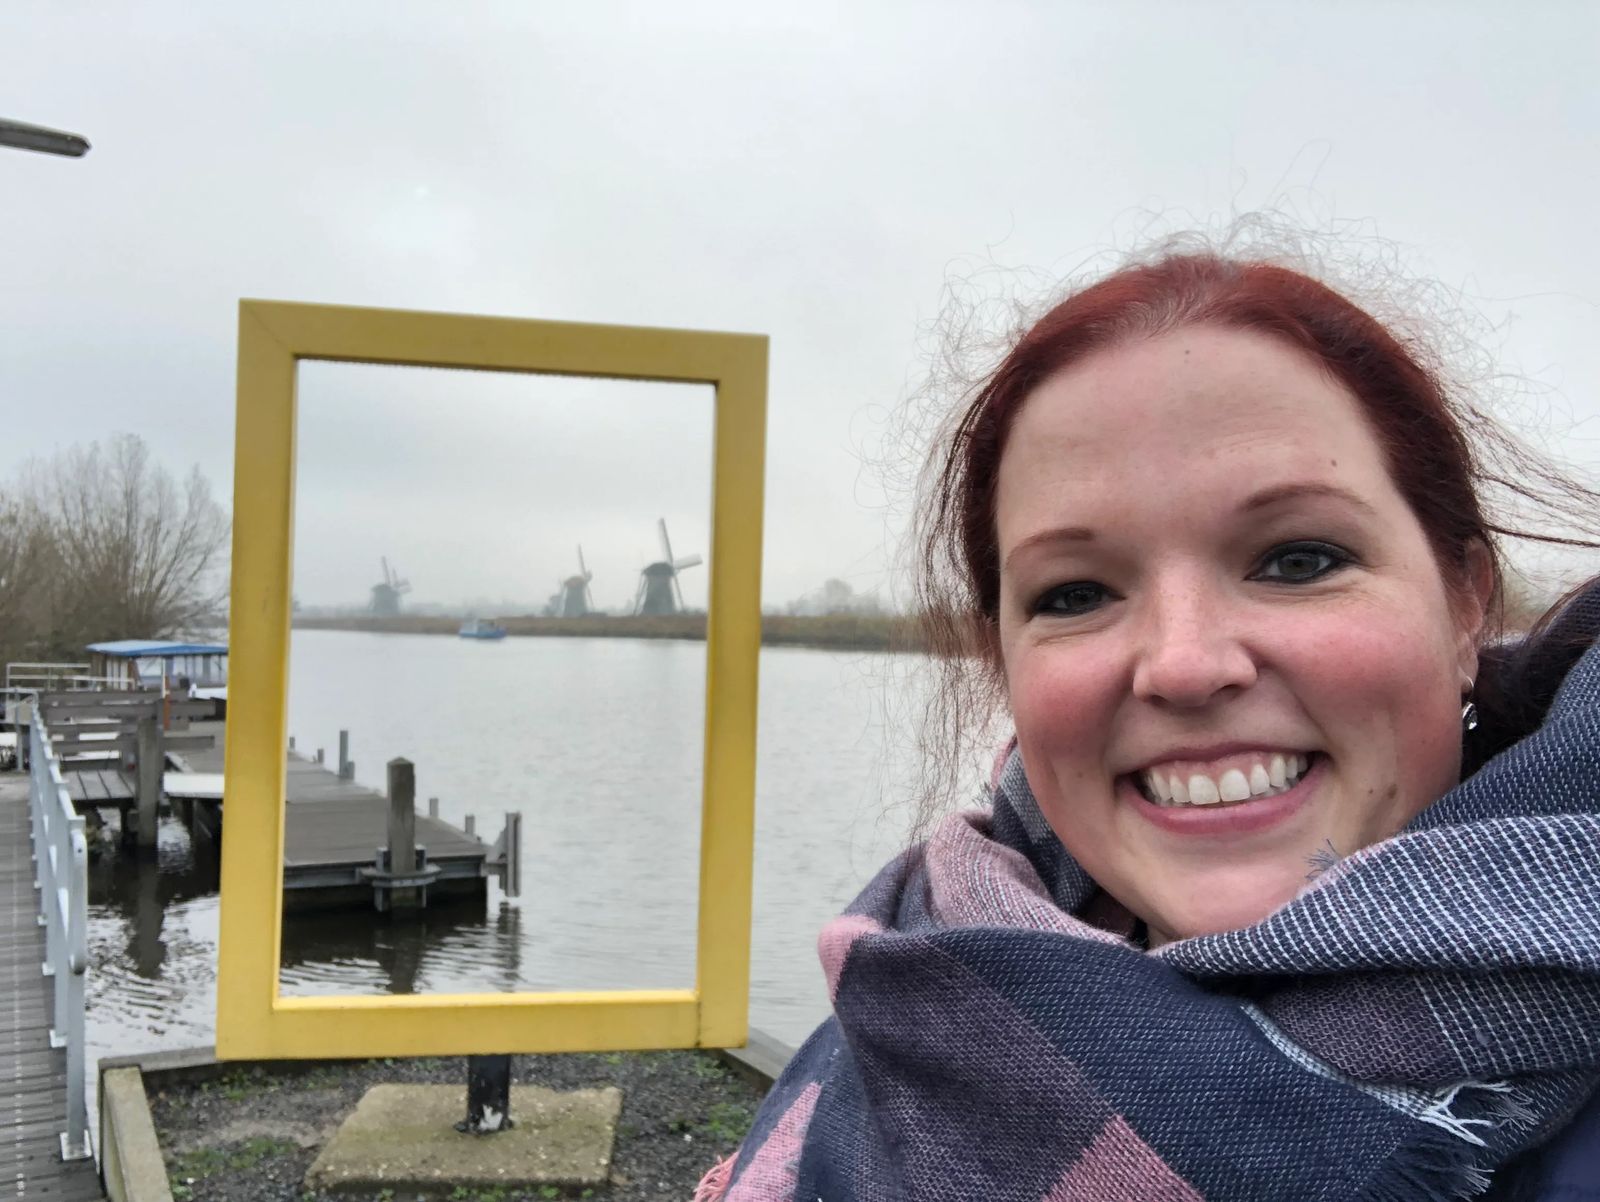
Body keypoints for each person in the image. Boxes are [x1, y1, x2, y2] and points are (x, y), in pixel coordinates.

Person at [699, 249, 1600, 1201]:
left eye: (1298, 559)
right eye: (1076, 592)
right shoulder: (907, 1012)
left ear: (1465, 605)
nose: (1183, 663)